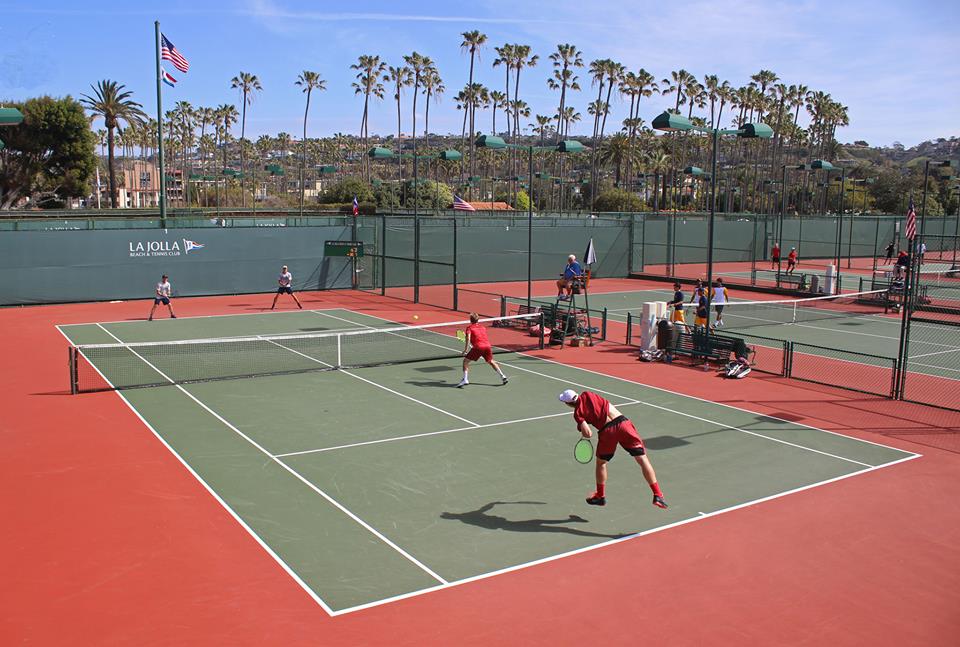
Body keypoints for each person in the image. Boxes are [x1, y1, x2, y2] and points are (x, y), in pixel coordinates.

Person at [558, 389, 667, 509]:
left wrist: (582, 426)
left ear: (568, 404)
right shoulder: (588, 394)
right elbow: (596, 407)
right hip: (624, 425)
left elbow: (588, 434)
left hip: (608, 432)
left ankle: (600, 496)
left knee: (601, 463)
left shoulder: (578, 414)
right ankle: (658, 495)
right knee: (642, 459)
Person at [457, 313, 508, 388]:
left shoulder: (469, 328)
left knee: (465, 361)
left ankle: (465, 379)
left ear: (470, 320)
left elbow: (468, 338)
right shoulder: (483, 327)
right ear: (478, 319)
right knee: (491, 361)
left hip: (478, 347)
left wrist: (465, 350)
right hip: (487, 346)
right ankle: (503, 376)